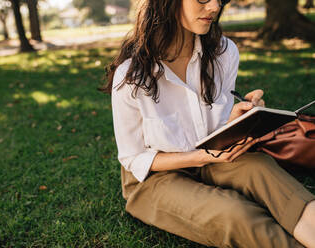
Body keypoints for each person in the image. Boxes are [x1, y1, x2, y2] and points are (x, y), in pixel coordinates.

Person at [100, 0, 315, 247]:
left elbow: (216, 128)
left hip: (215, 151)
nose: (214, 6)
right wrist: (204, 157)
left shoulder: (224, 52)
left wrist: (238, 120)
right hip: (154, 177)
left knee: (265, 172)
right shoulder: (131, 77)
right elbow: (133, 158)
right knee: (234, 214)